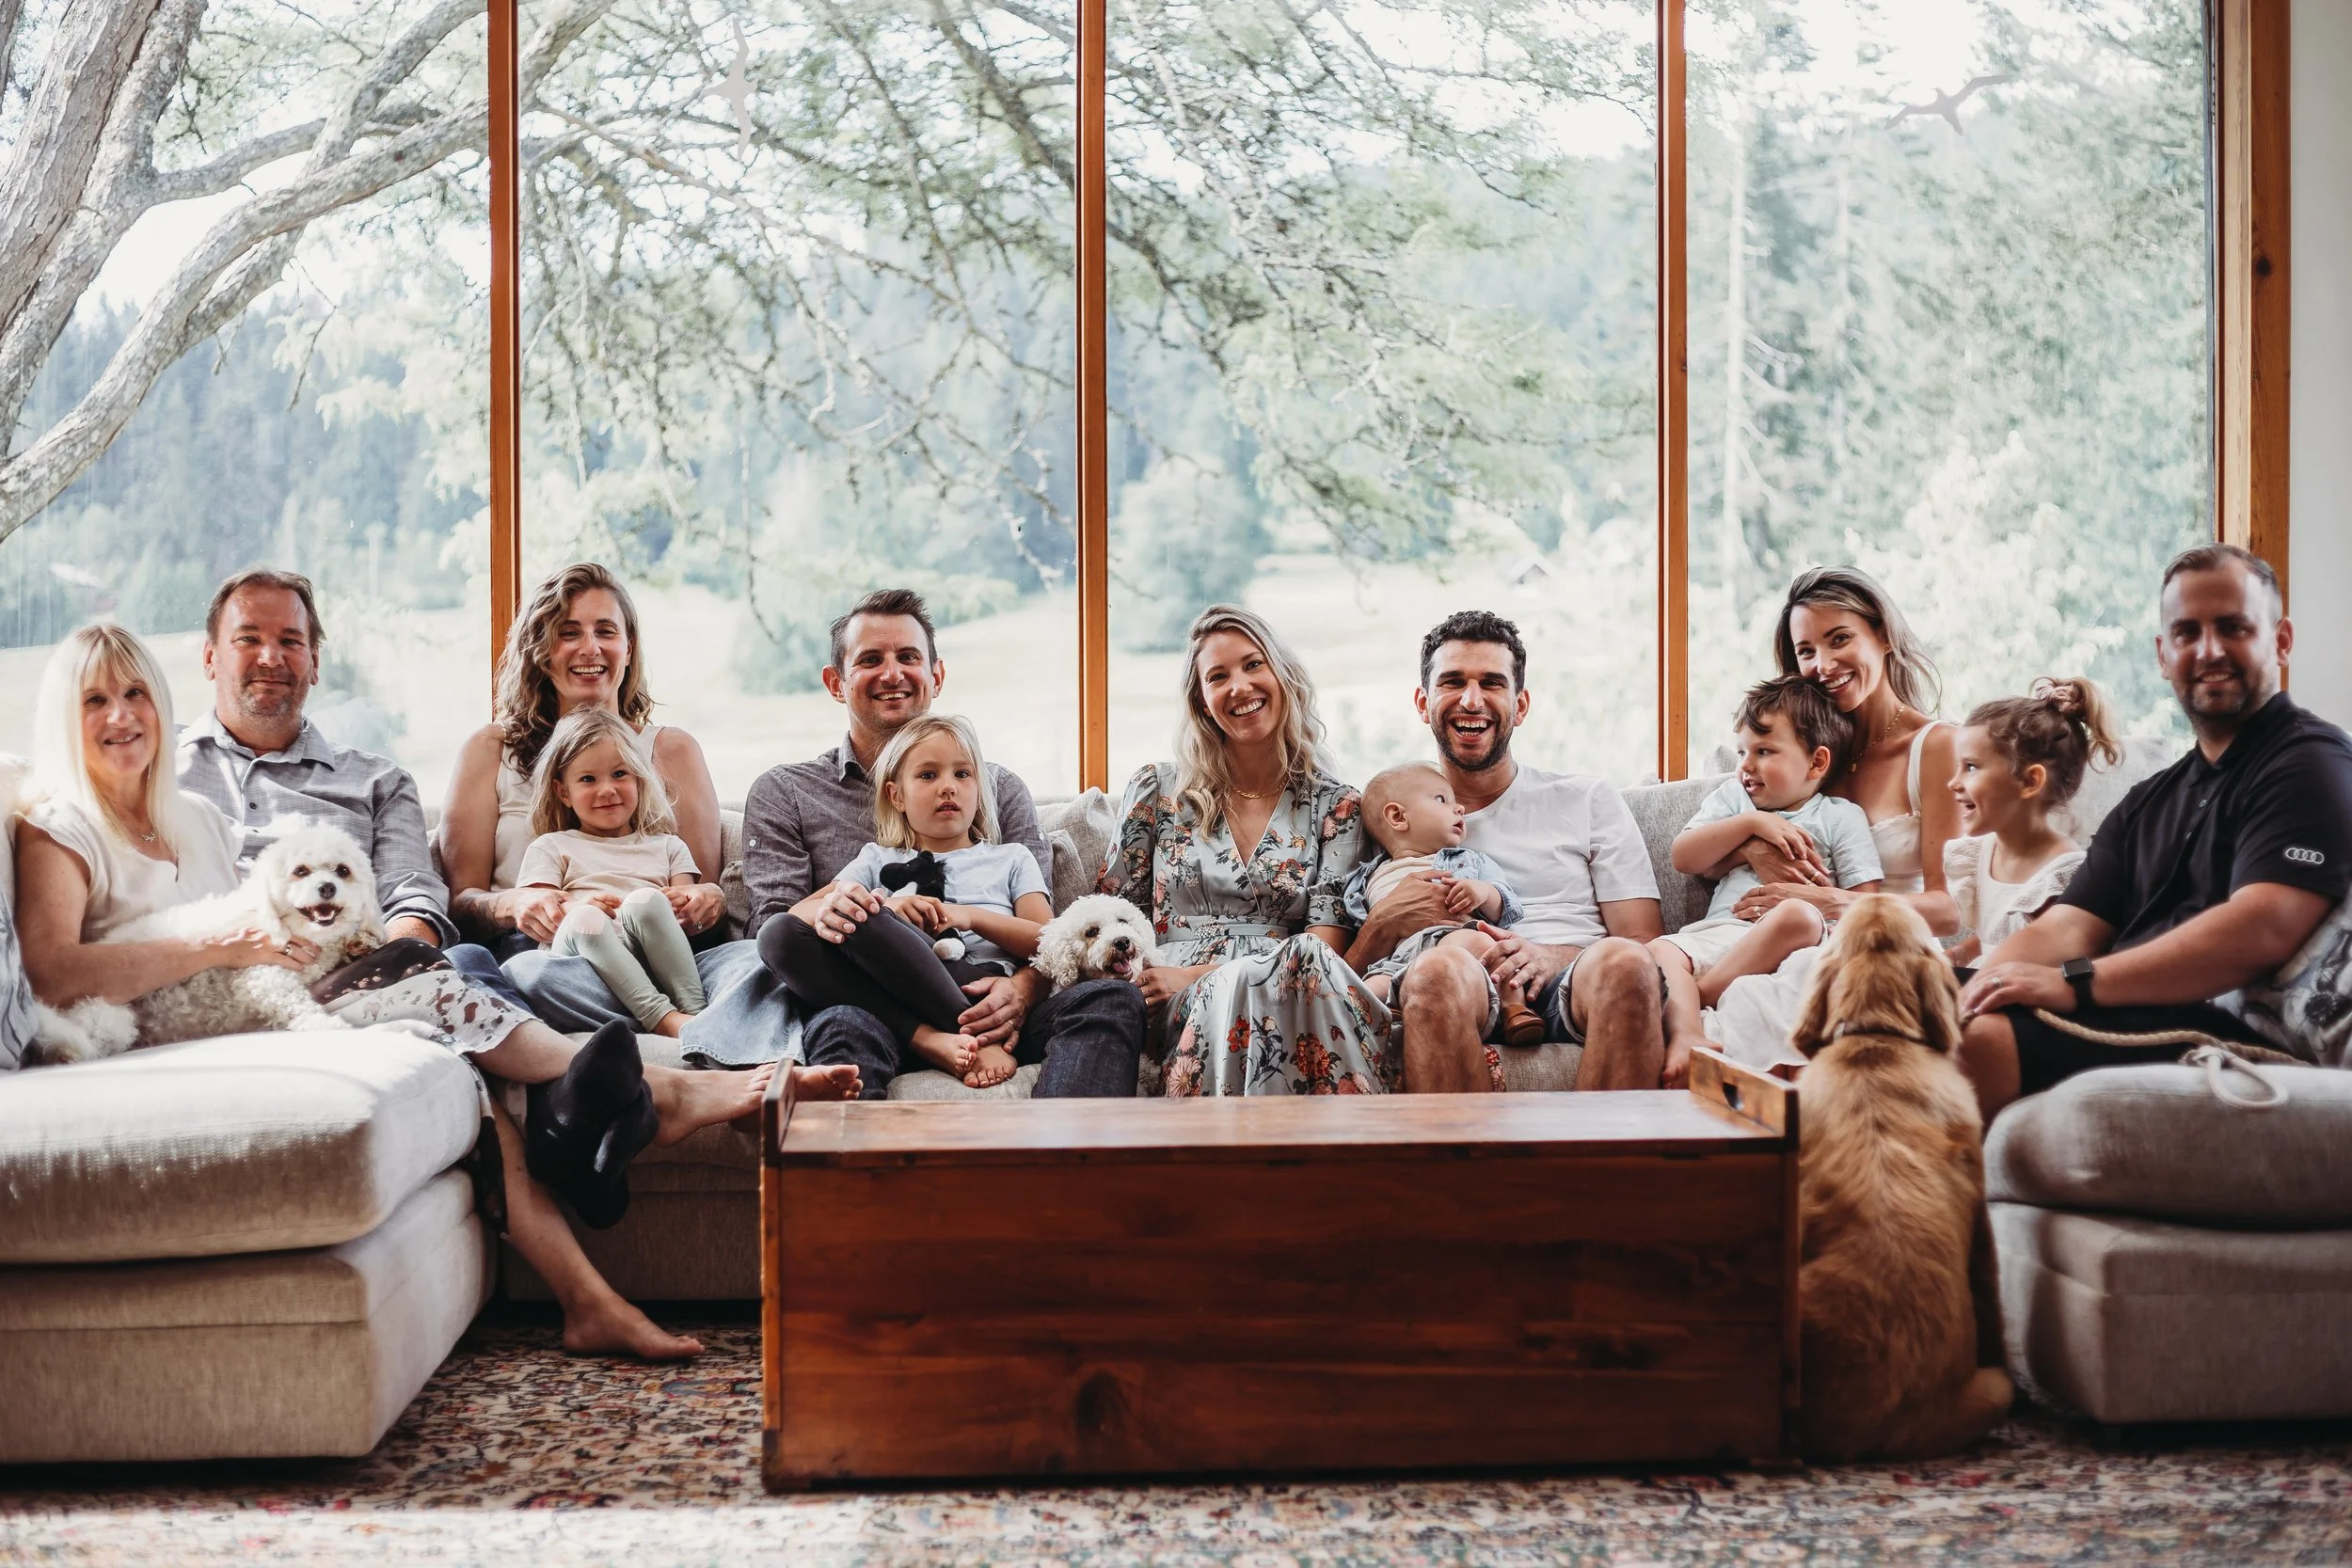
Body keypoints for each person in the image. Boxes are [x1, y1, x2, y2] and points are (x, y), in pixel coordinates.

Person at [81, 611, 818, 1367]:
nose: (272, 657)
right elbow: (159, 946)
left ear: (316, 660)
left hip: (350, 966)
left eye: (292, 640)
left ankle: (589, 1289)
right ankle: (656, 1096)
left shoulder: (311, 789)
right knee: (463, 981)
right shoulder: (126, 798)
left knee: (463, 1043)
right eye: (248, 639)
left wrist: (394, 955)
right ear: (208, 657)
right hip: (257, 987)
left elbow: (414, 894)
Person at [1955, 546, 2352, 1119]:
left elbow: (2262, 927)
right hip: (2122, 1007)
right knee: (1895, 996)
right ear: (2163, 656)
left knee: (1980, 1041)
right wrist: (1978, 988)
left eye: (2233, 627)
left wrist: (2077, 983)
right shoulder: (2150, 800)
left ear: (2281, 640)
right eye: (2187, 633)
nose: (2209, 650)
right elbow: (2069, 925)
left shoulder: (2311, 763)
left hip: (2220, 1034)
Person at [744, 588, 1144, 1097]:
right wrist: (867, 909)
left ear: (937, 674)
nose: (892, 674)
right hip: (870, 1004)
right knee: (839, 1019)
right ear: (835, 683)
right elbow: (776, 933)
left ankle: (1062, 1166)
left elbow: (1048, 938)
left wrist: (1016, 994)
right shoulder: (789, 792)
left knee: (1110, 999)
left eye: (908, 657)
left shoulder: (999, 791)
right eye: (870, 660)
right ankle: (856, 1170)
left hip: (991, 990)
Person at [437, 564, 775, 1063]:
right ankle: (702, 1029)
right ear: (539, 651)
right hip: (560, 960)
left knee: (757, 960)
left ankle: (681, 1020)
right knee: (525, 976)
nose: (589, 648)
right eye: (567, 633)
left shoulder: (672, 749)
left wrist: (705, 902)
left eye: (606, 631)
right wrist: (515, 905)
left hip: (663, 957)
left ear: (629, 648)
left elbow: (697, 897)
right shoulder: (491, 750)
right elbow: (460, 898)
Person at [1365, 610, 1683, 1092]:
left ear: (1520, 704)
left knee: (1628, 965)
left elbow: (1644, 941)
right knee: (1435, 972)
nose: (1472, 700)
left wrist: (1549, 956)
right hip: (1457, 977)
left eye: (1492, 683)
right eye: (1452, 681)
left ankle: (1607, 1167)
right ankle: (1469, 1165)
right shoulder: (1386, 815)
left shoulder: (1587, 797)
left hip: (1573, 979)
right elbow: (1348, 966)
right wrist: (1385, 921)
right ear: (1423, 702)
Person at [1100, 604, 1389, 1096]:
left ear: (1283, 674)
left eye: (1254, 665)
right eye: (1218, 676)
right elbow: (1111, 918)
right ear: (1202, 701)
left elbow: (1325, 948)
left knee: (1304, 966)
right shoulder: (1158, 790)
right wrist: (1167, 977)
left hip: (1295, 985)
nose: (1239, 686)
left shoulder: (1336, 806)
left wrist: (1208, 973)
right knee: (1279, 981)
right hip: (1175, 994)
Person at [1709, 568, 1966, 1065]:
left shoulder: (1936, 747)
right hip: (1786, 945)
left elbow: (1948, 908)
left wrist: (1822, 900)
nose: (1823, 665)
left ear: (1884, 636)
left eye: (1839, 639)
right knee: (1749, 997)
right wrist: (1750, 846)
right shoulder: (1802, 753)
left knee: (1792, 993)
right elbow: (1707, 849)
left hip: (1886, 949)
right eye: (1806, 651)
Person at [761, 713, 1053, 1090]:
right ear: (896, 795)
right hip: (892, 996)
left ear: (979, 789)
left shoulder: (1011, 858)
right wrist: (885, 911)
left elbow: (1049, 942)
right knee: (777, 934)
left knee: (865, 914)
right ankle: (931, 1039)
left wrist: (971, 917)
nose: (948, 787)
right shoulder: (877, 858)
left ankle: (964, 1029)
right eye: (928, 775)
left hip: (974, 985)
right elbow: (799, 915)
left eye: (962, 774)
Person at [1651, 675, 1883, 1027]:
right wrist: (1752, 824)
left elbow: (1864, 904)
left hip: (1797, 943)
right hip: (1724, 930)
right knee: (1657, 951)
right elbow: (1683, 856)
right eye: (1743, 751)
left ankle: (1700, 995)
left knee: (1798, 916)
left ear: (1817, 762)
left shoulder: (1839, 815)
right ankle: (1689, 1034)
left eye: (1764, 751)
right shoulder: (1734, 800)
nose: (1745, 764)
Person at [516, 708, 715, 1037]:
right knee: (586, 919)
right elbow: (541, 916)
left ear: (639, 779)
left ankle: (695, 1011)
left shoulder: (669, 847)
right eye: (588, 779)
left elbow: (685, 923)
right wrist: (575, 908)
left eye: (620, 774)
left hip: (650, 959)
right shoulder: (550, 846)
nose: (607, 789)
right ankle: (663, 1019)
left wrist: (686, 902)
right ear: (563, 792)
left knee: (646, 902)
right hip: (580, 963)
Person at [1343, 762, 1543, 1048]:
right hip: (1401, 957)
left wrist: (1483, 892)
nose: (1459, 808)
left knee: (1484, 943)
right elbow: (1362, 926)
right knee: (1365, 990)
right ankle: (1392, 1014)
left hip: (1456, 942)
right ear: (1398, 817)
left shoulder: (1467, 860)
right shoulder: (1366, 877)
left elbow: (1505, 904)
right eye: (1442, 799)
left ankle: (1515, 1009)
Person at [1930, 677, 2119, 967]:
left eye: (1971, 767)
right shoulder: (1981, 853)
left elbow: (2064, 966)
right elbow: (1992, 940)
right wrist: (1948, 959)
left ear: (2030, 781)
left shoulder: (2062, 879)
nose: (1954, 782)